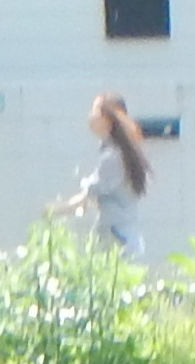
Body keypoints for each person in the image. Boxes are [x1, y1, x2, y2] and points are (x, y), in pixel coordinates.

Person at [65, 95, 150, 258]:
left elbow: (88, 196)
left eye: (95, 110)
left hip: (119, 243)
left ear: (107, 119)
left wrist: (53, 210)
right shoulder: (116, 152)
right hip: (119, 239)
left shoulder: (113, 157)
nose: (90, 116)